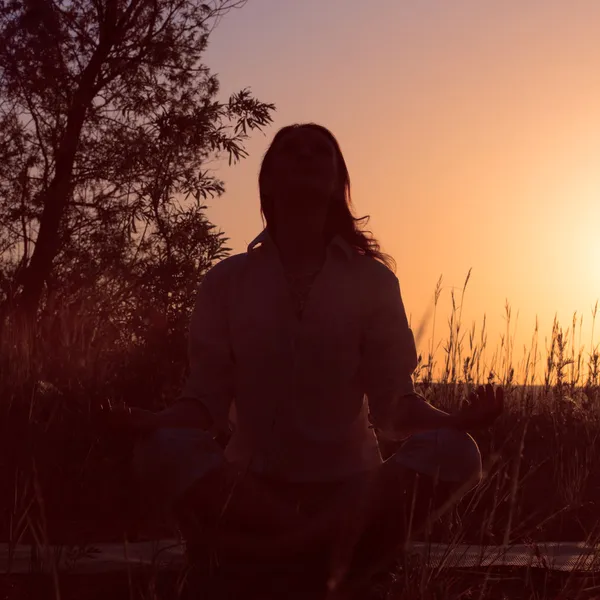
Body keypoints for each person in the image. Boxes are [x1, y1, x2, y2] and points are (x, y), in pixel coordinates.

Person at [106, 123, 503, 598]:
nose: (307, 156)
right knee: (158, 448)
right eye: (291, 151)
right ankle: (318, 548)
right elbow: (204, 405)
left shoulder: (372, 281)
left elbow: (394, 408)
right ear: (268, 180)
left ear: (338, 181)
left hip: (351, 488)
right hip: (251, 492)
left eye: (321, 151)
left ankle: (280, 551)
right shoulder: (227, 281)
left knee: (458, 451)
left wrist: (457, 419)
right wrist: (153, 420)